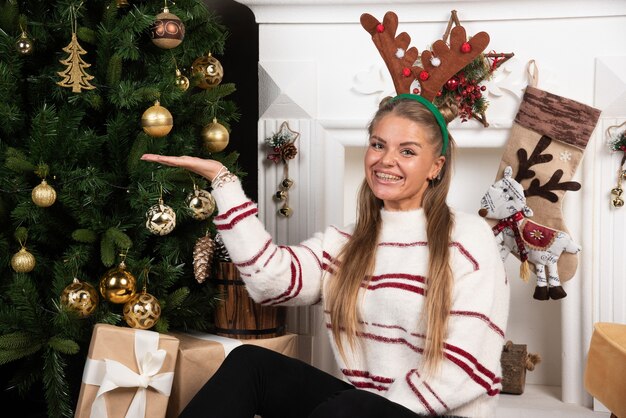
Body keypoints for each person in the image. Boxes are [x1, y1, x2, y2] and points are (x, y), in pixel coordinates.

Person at [141, 95, 509, 418]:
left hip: (433, 414)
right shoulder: (347, 242)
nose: (386, 161)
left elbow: (462, 367)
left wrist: (363, 410)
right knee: (249, 363)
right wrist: (223, 182)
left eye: (408, 151)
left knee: (349, 407)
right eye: (378, 145)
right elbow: (271, 281)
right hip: (363, 408)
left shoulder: (467, 238)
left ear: (436, 167)